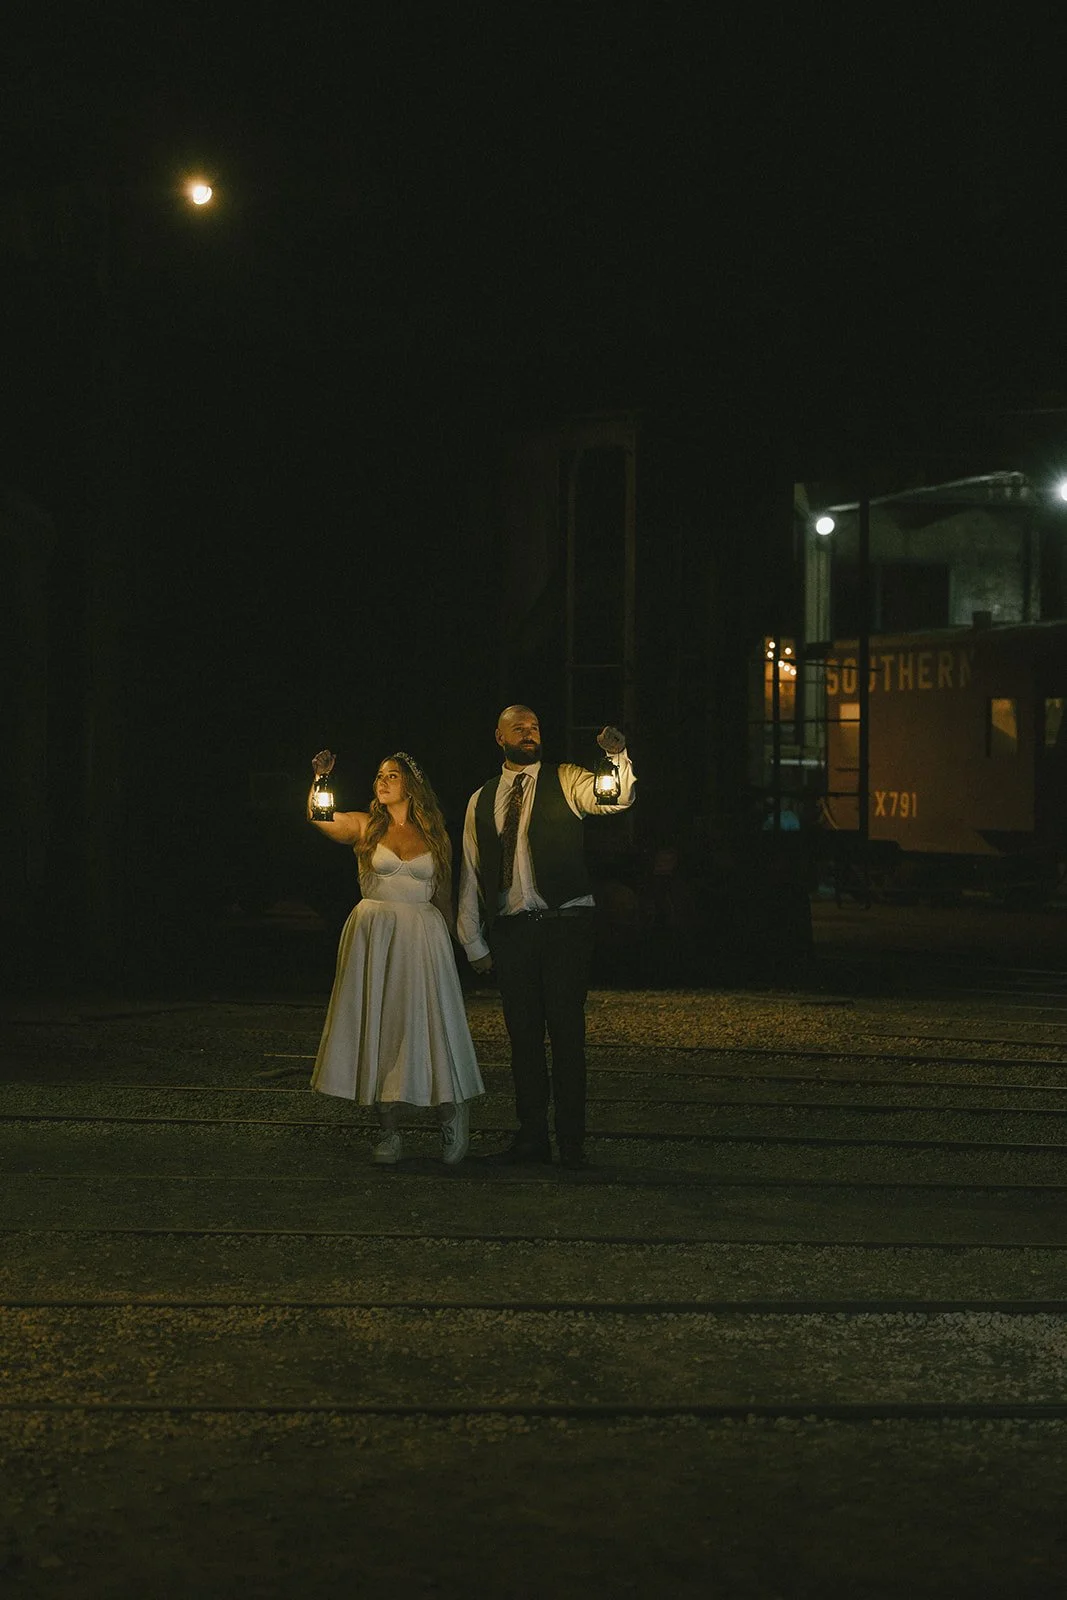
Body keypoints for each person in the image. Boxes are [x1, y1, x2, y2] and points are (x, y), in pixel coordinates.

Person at [457, 705, 636, 1168]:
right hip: (514, 931)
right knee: (523, 1038)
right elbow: (471, 873)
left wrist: (615, 758)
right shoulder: (481, 799)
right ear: (498, 737)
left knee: (567, 1034)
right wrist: (473, 941)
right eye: (518, 727)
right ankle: (532, 1136)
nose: (528, 731)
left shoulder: (568, 778)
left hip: (565, 927)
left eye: (534, 725)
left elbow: (614, 800)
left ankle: (572, 1143)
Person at [307, 748, 483, 1165]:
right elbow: (321, 819)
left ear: (411, 785)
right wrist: (321, 780)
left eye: (392, 776)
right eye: (379, 775)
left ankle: (451, 1113)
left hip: (423, 936)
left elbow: (442, 894)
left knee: (428, 1024)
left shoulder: (435, 834)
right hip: (376, 933)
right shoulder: (367, 826)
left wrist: (460, 949)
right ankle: (389, 1131)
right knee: (381, 1023)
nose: (382, 782)